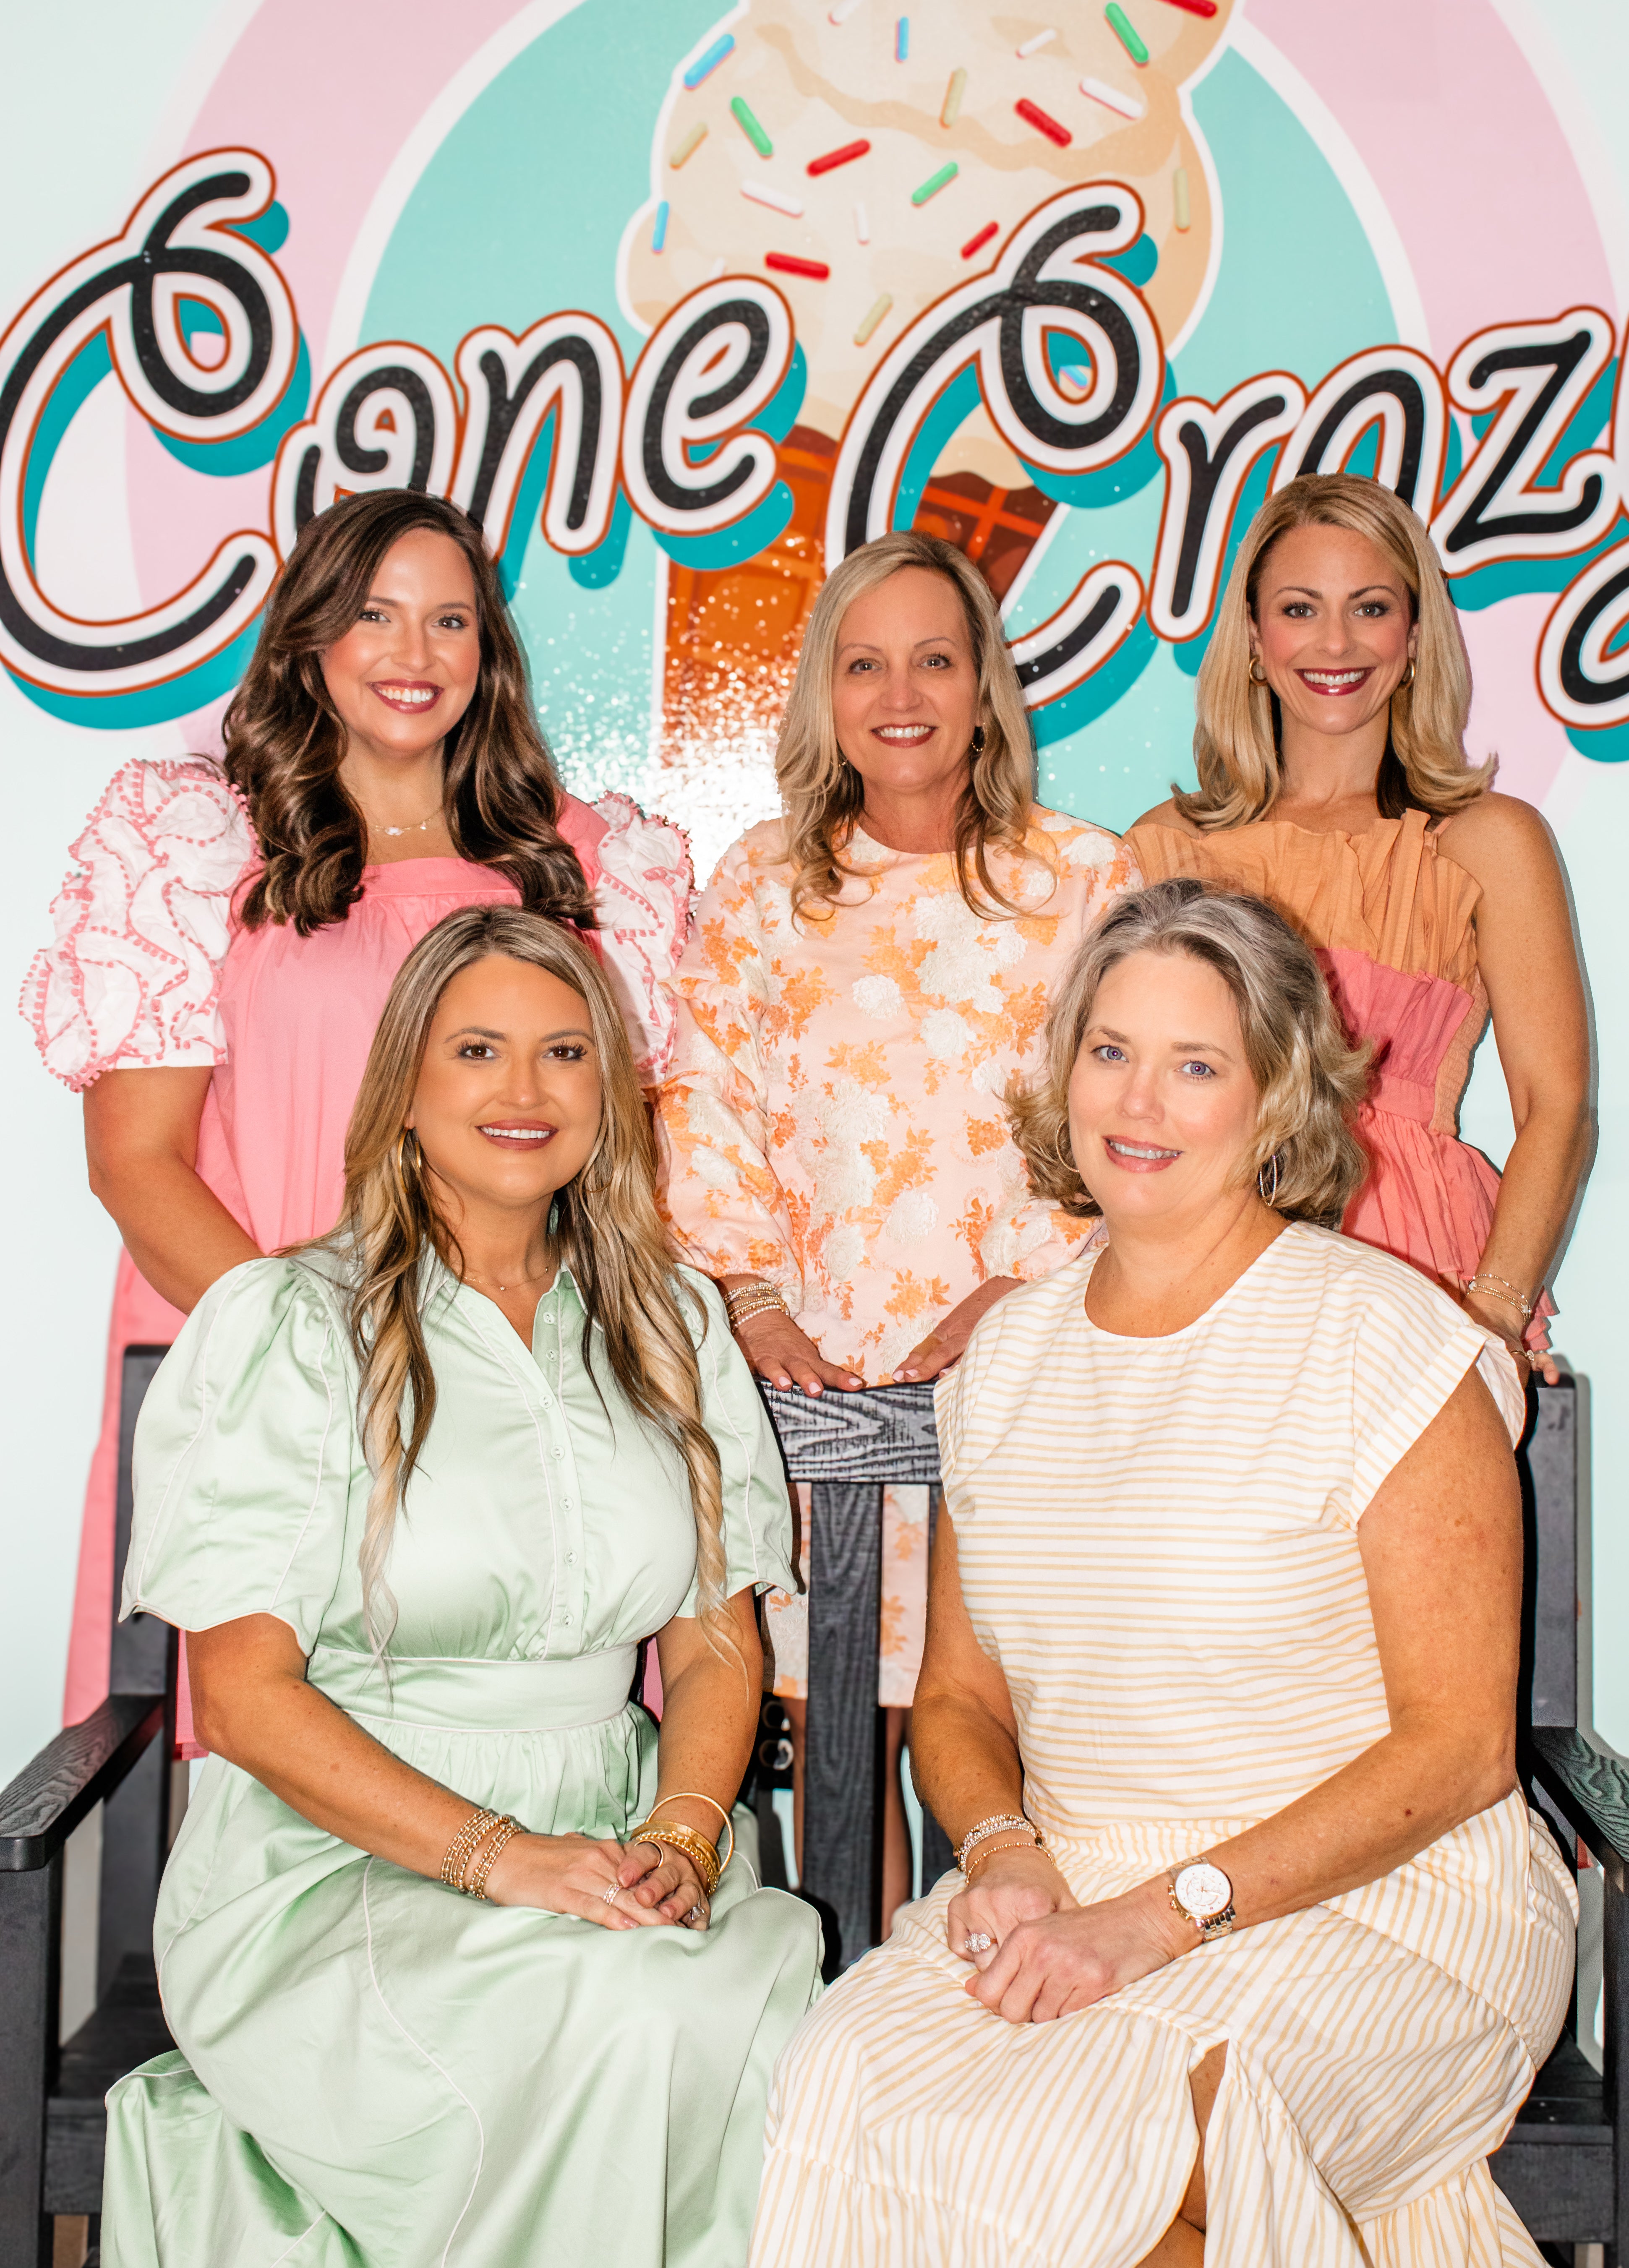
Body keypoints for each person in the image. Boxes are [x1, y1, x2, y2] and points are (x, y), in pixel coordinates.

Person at [751, 879, 1574, 2268]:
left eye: (1197, 1065)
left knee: (1148, 2140)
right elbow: (959, 1699)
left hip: (1387, 1902)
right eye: (1111, 1050)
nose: (1140, 1101)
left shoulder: (1382, 1339)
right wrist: (1003, 1850)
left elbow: (1457, 1754)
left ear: (1276, 1093)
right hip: (1072, 1885)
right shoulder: (1004, 1364)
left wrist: (1159, 1919)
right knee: (844, 2083)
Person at [101, 906, 820, 2268]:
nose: (524, 1089)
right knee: (624, 2017)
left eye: (565, 1052)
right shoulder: (292, 1323)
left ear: (610, 1090)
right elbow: (243, 1702)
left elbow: (715, 1645)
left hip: (619, 1831)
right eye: (477, 1049)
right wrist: (504, 1859)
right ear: (407, 1087)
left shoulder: (675, 1324)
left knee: (736, 2017)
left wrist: (682, 1839)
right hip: (334, 1862)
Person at [22, 490, 691, 1741]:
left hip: (515, 1394)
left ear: (489, 649)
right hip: (267, 1380)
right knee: (276, 1752)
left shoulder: (584, 866)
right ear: (311, 634)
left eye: (451, 620)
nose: (413, 652)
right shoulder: (201, 841)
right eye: (376, 614)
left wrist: (489, 1383)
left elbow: (617, 1169)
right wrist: (326, 1366)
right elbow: (136, 1162)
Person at [655, 529, 1134, 1925]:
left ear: (986, 685)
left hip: (1032, 1366)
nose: (901, 694)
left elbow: (1137, 1117)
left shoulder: (1084, 879)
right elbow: (704, 1103)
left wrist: (1023, 1290)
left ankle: (992, 2007)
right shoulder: (762, 883)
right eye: (864, 665)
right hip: (816, 1383)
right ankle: (848, 2003)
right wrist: (751, 1304)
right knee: (836, 1724)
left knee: (999, 1725)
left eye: (935, 659)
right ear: (825, 691)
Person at [1130, 472, 1590, 1384]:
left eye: (1370, 607)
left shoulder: (1489, 842)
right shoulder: (1166, 847)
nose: (1335, 643)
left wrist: (1493, 1313)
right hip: (1202, 1256)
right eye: (1299, 608)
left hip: (1420, 1268)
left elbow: (1557, 1107)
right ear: (1254, 637)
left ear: (1414, 637)